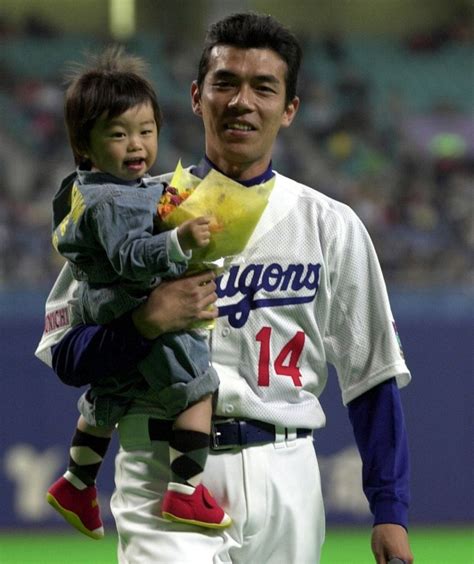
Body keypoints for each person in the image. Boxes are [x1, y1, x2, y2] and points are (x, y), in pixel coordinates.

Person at [36, 12, 414, 564]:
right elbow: (69, 355)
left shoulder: (329, 224)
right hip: (162, 467)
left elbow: (372, 377)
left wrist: (391, 510)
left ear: (289, 110)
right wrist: (142, 324)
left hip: (286, 472)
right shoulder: (125, 207)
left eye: (264, 87)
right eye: (225, 83)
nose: (242, 101)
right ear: (196, 96)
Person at [45, 45, 231, 540]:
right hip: (129, 298)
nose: (136, 145)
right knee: (199, 385)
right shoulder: (114, 198)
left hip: (105, 303)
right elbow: (130, 256)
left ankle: (77, 482)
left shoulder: (86, 188)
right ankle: (187, 490)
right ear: (85, 145)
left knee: (112, 391)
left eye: (146, 132)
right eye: (119, 134)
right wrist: (179, 238)